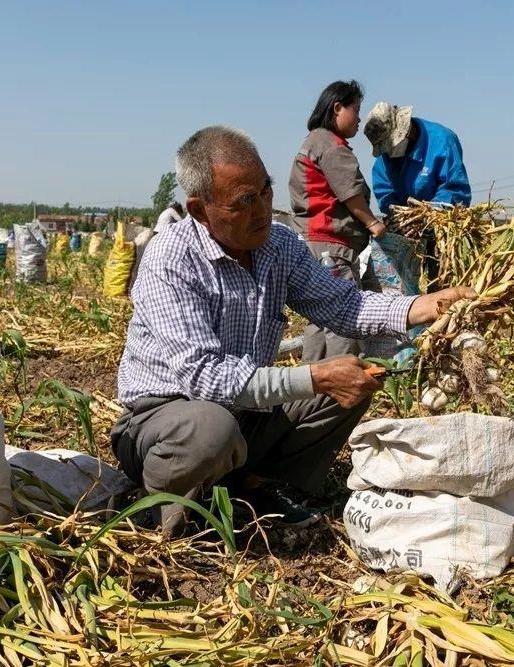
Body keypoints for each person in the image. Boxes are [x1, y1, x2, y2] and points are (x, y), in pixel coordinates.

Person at [112, 126, 476, 535]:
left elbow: (343, 304)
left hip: (245, 413)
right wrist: (314, 376)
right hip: (167, 421)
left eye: (265, 191)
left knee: (355, 381)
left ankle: (255, 487)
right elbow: (206, 379)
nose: (264, 209)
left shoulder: (278, 246)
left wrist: (417, 307)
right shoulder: (171, 257)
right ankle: (158, 500)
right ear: (199, 209)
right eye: (245, 201)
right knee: (211, 428)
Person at [288, 80, 388, 362]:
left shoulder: (312, 141)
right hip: (331, 246)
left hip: (313, 244)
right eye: (356, 110)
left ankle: (310, 394)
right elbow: (350, 191)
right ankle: (339, 391)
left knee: (319, 319)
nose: (359, 119)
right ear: (337, 108)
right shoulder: (331, 145)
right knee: (343, 318)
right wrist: (373, 224)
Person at [364, 102, 471, 291]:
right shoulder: (385, 153)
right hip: (406, 229)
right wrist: (400, 215)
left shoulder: (443, 141)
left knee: (440, 283)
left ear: (406, 131)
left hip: (442, 225)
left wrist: (428, 215)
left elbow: (455, 189)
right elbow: (384, 190)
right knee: (399, 282)